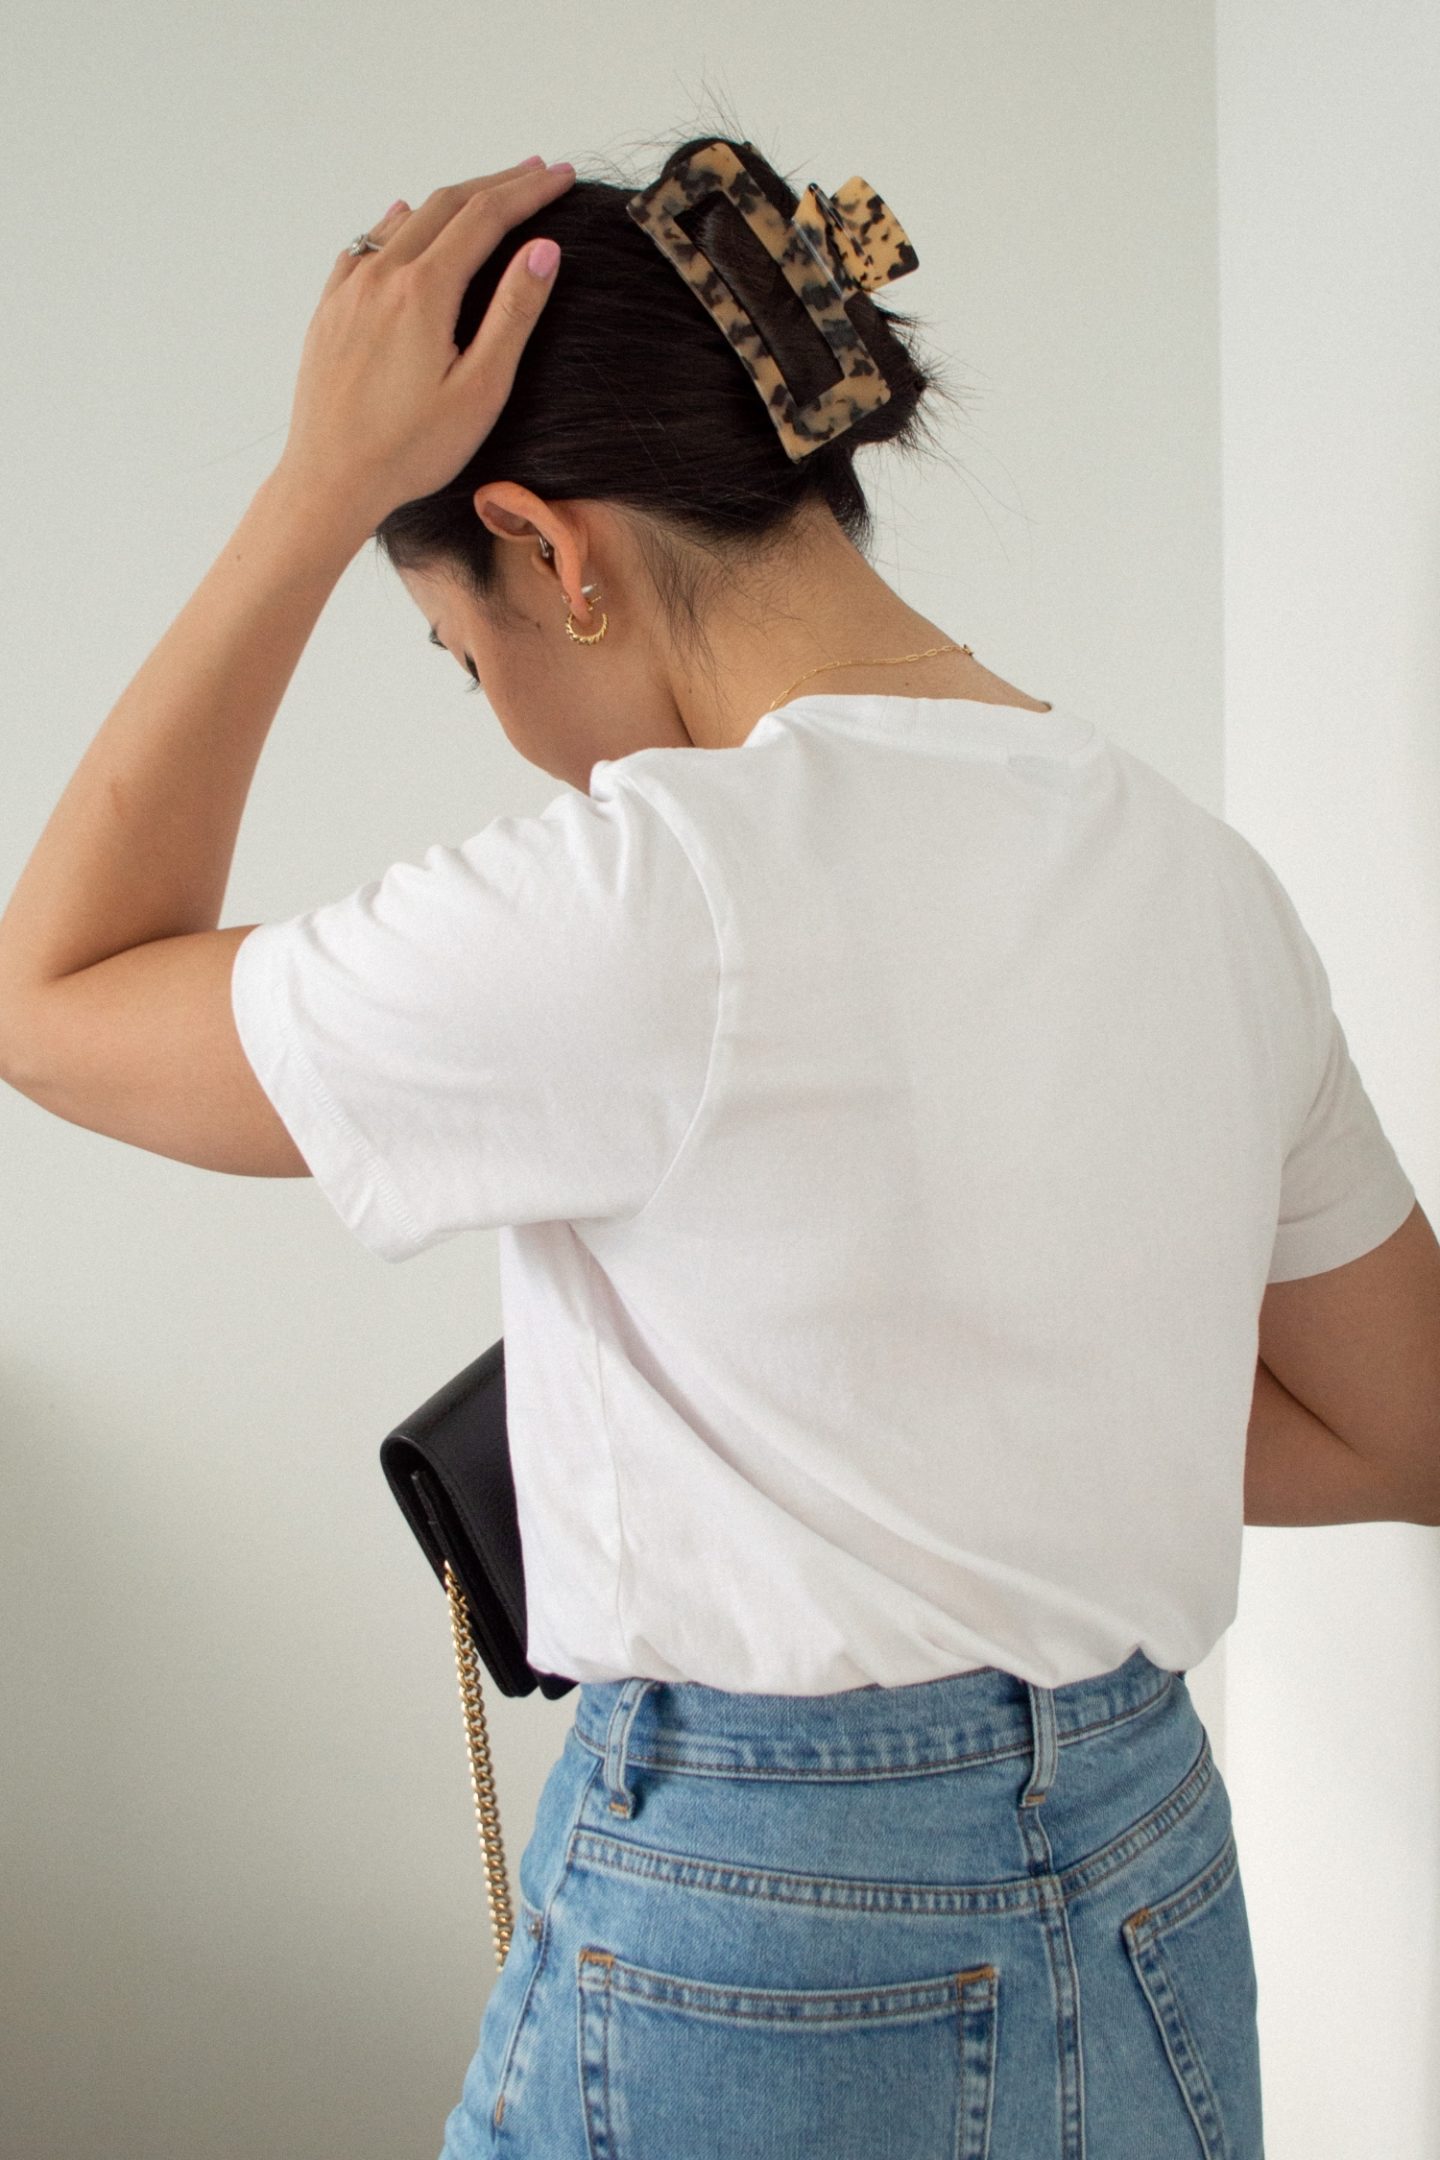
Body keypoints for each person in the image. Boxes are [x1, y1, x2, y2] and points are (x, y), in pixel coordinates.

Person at [5, 128, 1432, 2158]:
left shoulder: (649, 897)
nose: (494, 701)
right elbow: (1405, 1424)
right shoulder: (1203, 887)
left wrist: (313, 488)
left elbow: (50, 1002)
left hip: (769, 1922)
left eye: (463, 647)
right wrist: (981, 1442)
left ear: (549, 546)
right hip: (1152, 1884)